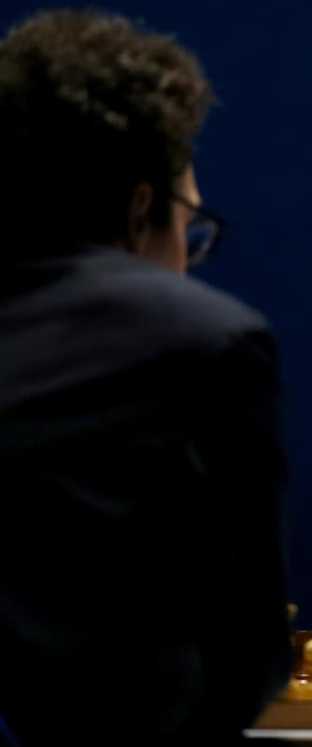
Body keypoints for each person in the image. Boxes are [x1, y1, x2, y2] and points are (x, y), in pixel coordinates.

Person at [0, 10, 290, 744]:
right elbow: (242, 657)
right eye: (187, 224)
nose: (186, 257)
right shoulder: (202, 339)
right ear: (140, 206)